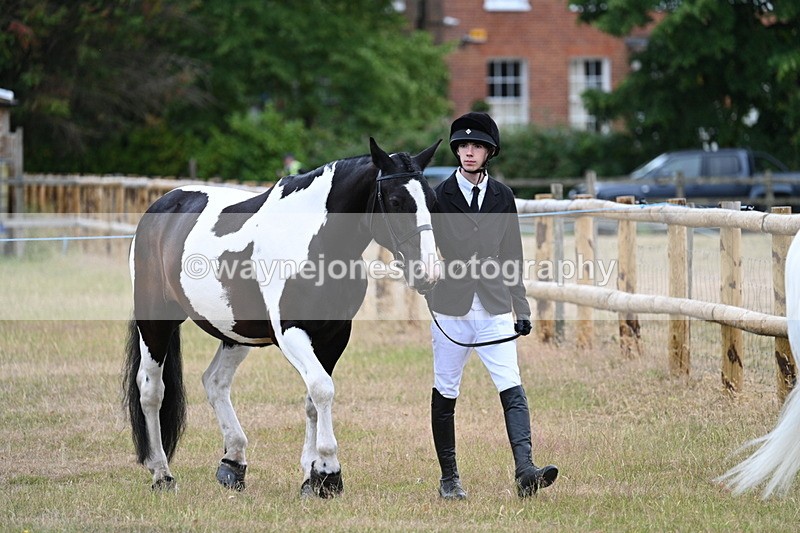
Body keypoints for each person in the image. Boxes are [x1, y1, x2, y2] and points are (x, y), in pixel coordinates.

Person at [426, 112, 558, 500]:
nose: (469, 152)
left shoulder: (503, 196)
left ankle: (525, 471)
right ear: (456, 150)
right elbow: (418, 246)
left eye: (477, 146)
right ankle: (449, 478)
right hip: (450, 306)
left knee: (511, 385)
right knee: (446, 390)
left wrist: (521, 306)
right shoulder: (436, 196)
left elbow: (512, 255)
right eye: (463, 146)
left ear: (489, 152)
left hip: (495, 304)